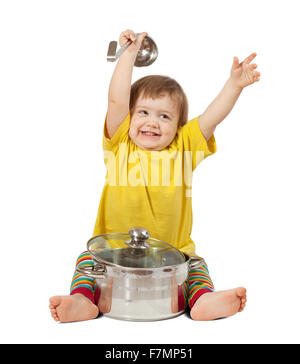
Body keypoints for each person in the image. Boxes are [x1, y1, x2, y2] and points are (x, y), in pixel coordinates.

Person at [49, 29, 260, 322]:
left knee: (196, 267)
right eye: (143, 112)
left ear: (179, 126)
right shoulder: (120, 144)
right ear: (130, 118)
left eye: (164, 116)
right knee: (86, 262)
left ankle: (202, 301)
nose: (152, 122)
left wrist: (234, 84)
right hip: (113, 254)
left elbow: (212, 116)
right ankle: (83, 301)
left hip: (173, 256)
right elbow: (116, 102)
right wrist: (128, 56)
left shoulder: (184, 147)